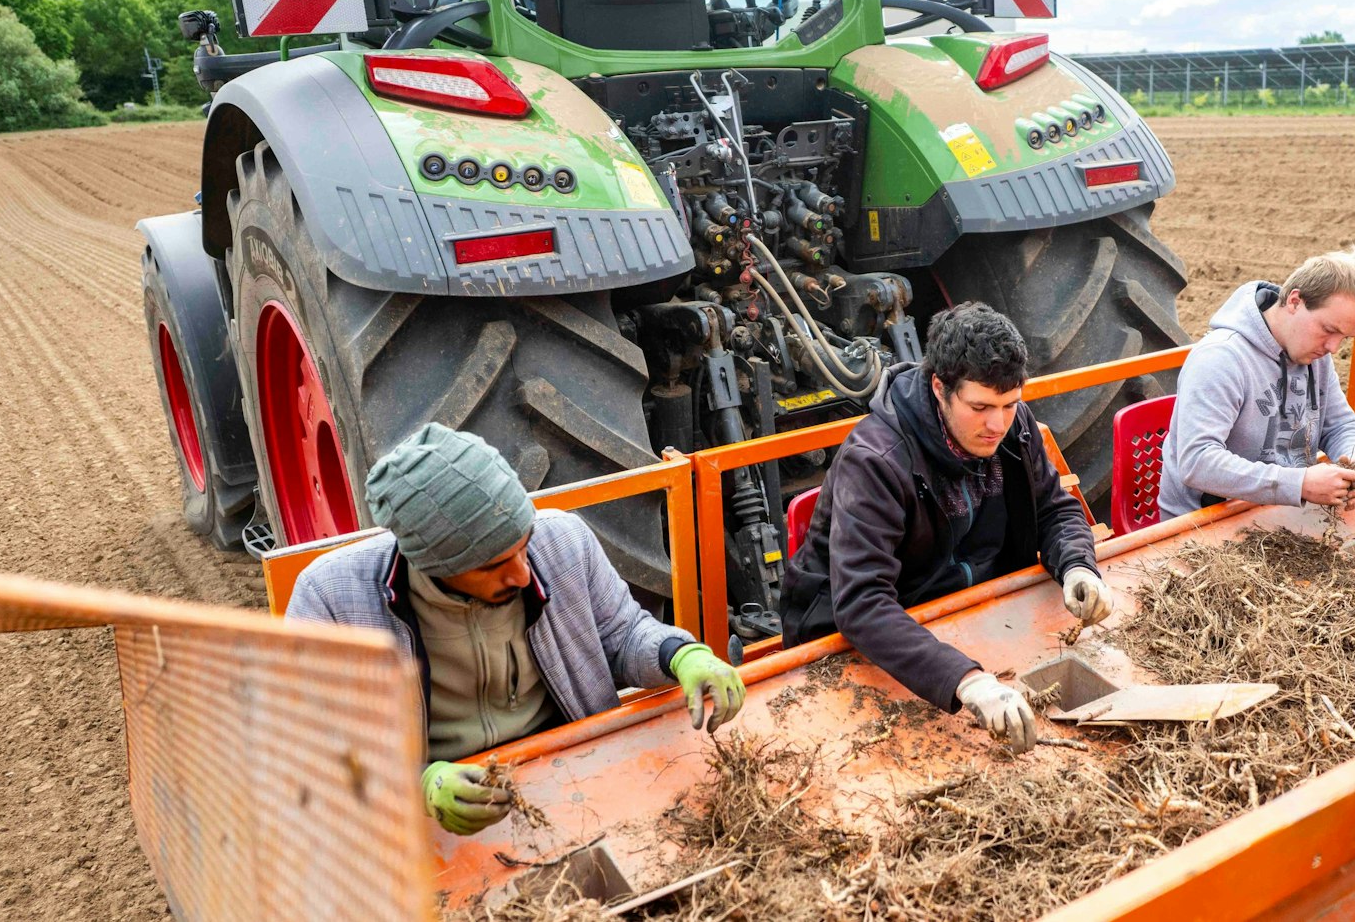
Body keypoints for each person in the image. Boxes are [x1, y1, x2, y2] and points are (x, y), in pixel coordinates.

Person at [288, 423, 745, 836]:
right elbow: (311, 747)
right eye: (493, 566)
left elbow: (623, 635)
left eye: (523, 546)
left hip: (568, 771)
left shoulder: (563, 541)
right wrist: (420, 783)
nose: (523, 575)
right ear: (430, 565)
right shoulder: (331, 599)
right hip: (428, 814)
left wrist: (680, 654)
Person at [778, 303, 1112, 754]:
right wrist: (967, 681)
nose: (997, 423)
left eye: (1009, 405)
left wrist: (1077, 565)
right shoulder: (875, 461)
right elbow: (861, 603)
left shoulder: (1013, 426)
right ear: (940, 387)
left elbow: (1054, 508)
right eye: (980, 407)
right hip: (870, 643)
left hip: (971, 614)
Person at [1159, 250, 1355, 520]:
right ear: (1295, 301)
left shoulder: (1313, 353)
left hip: (1282, 511)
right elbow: (1198, 461)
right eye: (1329, 330)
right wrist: (1299, 484)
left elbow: (1341, 425)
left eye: (1344, 337)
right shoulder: (1220, 359)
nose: (1333, 347)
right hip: (1207, 523)